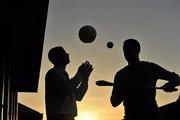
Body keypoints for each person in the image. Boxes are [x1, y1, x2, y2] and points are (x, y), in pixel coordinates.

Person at [110, 39, 180, 120]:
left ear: (138, 50)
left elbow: (177, 78)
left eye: (129, 49)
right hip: (131, 117)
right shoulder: (120, 75)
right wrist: (124, 90)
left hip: (152, 116)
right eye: (124, 50)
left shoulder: (151, 68)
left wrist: (171, 84)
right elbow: (114, 102)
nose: (126, 53)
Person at [45, 46, 93, 120]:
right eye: (64, 53)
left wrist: (85, 78)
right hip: (59, 117)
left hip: (68, 117)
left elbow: (78, 96)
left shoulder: (63, 76)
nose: (68, 54)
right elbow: (66, 89)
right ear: (58, 57)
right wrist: (80, 73)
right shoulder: (53, 73)